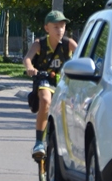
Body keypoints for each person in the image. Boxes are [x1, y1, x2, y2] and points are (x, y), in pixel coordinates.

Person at [23, 10, 77, 160]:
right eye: (55, 27)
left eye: (62, 26)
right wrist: (30, 68)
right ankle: (39, 142)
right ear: (47, 28)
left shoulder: (68, 44)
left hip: (65, 82)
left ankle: (71, 141)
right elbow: (28, 58)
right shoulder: (39, 44)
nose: (60, 30)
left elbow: (82, 56)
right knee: (46, 100)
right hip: (44, 79)